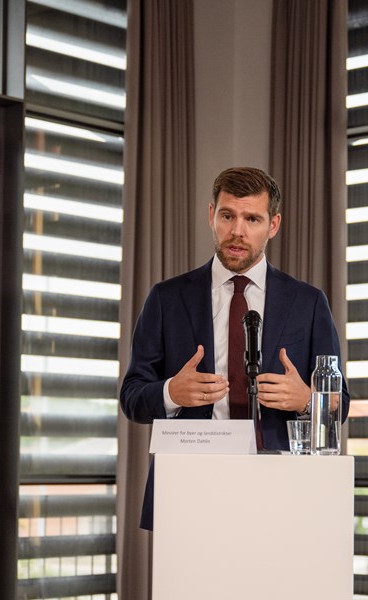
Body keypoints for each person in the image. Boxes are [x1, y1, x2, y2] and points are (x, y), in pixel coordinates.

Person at [120, 166, 350, 528]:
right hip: (189, 486)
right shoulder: (166, 298)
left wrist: (306, 399)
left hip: (284, 487)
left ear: (273, 225)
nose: (237, 231)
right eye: (227, 215)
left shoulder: (308, 302)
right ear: (211, 215)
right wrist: (170, 392)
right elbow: (131, 398)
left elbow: (341, 404)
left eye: (252, 219)